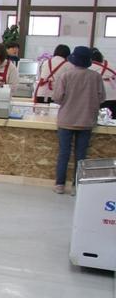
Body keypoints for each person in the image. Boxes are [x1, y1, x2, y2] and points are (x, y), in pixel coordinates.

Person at [53, 46, 106, 194]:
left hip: (66, 120)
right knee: (81, 155)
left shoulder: (66, 75)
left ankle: (60, 185)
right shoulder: (96, 77)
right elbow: (102, 97)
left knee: (64, 153)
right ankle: (77, 186)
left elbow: (57, 97)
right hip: (86, 121)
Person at [89, 48, 116, 118]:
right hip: (113, 94)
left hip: (100, 95)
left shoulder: (90, 66)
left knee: (98, 118)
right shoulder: (110, 65)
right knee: (112, 118)